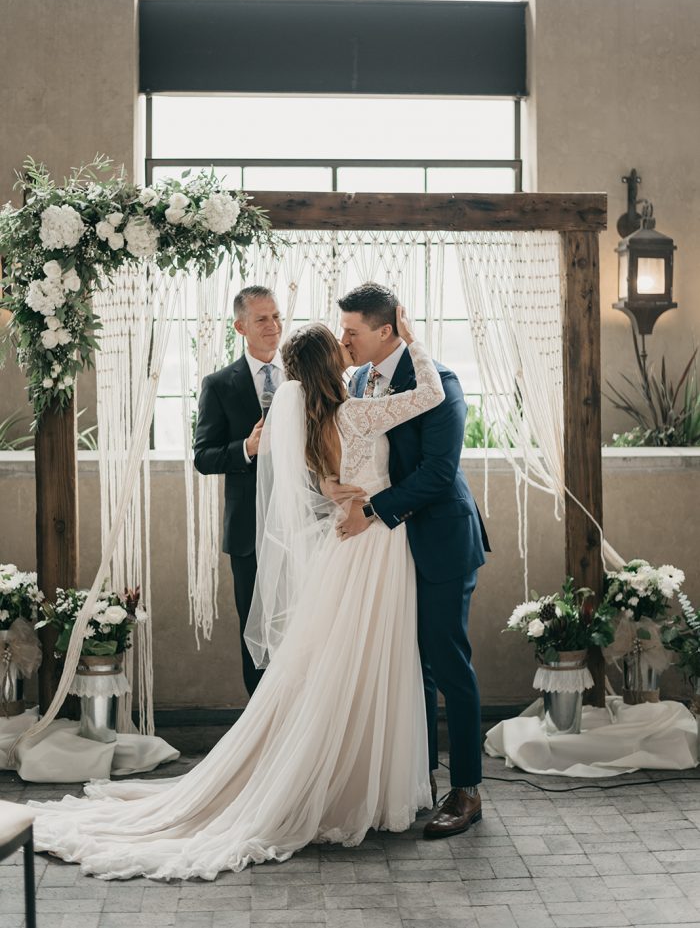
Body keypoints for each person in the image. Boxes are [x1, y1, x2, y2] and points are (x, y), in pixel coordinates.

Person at [29, 307, 444, 880]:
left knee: (344, 663)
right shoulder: (356, 415)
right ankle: (354, 787)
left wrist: (333, 485)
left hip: (344, 546)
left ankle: (345, 779)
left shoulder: (314, 416)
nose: (349, 345)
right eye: (341, 342)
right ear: (331, 362)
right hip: (372, 544)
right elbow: (428, 396)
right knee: (371, 660)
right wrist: (413, 340)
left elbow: (320, 482)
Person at [332, 282, 490, 840]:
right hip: (387, 545)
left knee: (448, 662)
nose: (343, 339)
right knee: (410, 663)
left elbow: (437, 473)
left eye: (351, 330)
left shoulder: (439, 382)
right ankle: (417, 779)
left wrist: (372, 509)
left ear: (385, 330)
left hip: (440, 540)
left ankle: (467, 789)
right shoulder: (355, 380)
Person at [194, 285, 284, 696]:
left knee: (298, 628)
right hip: (248, 533)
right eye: (262, 319)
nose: (273, 326)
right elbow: (204, 456)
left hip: (299, 528)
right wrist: (247, 448)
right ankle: (260, 729)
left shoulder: (300, 375)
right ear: (241, 326)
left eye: (277, 316)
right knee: (255, 633)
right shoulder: (219, 385)